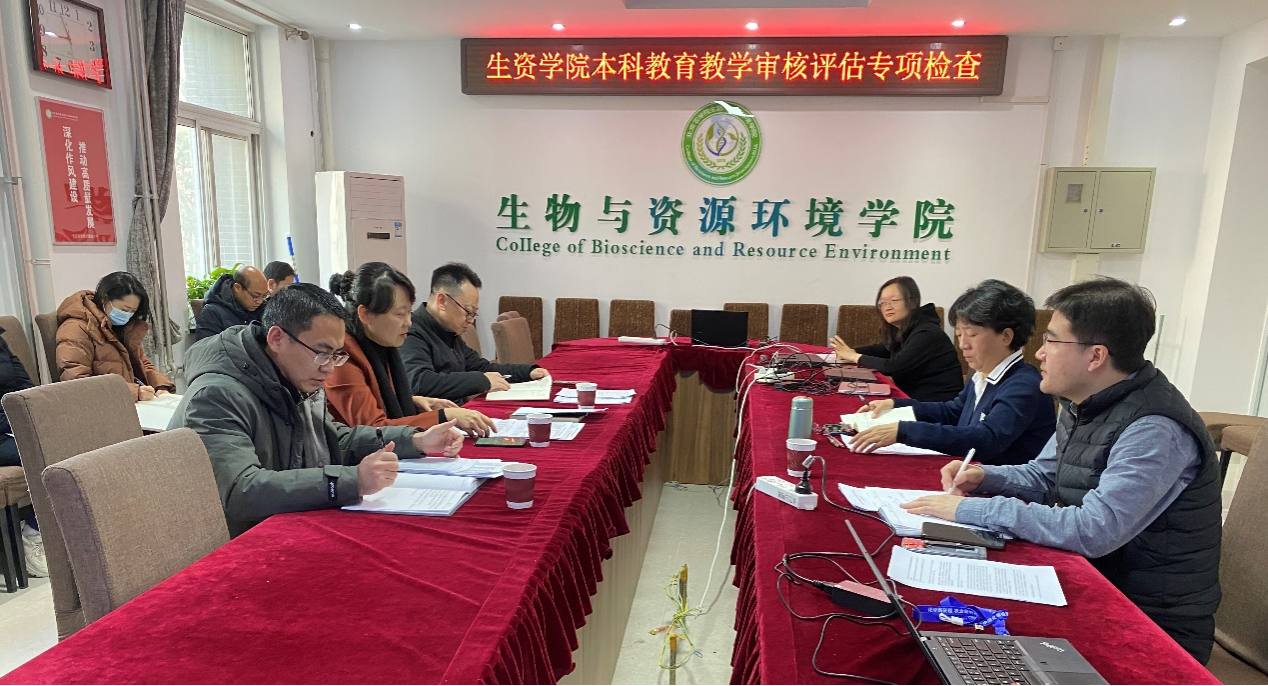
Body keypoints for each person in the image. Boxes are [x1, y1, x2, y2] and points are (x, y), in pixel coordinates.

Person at [901, 277, 1221, 664]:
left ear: (1095, 356)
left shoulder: (1154, 428)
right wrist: (986, 478)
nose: (1039, 353)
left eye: (1052, 341)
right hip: (1095, 581)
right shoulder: (1084, 401)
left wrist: (972, 509)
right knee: (933, 629)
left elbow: (1094, 530)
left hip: (1149, 624)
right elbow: (1046, 476)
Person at [174, 283, 464, 537]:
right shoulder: (217, 395)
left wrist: (416, 440)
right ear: (276, 338)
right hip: (229, 544)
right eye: (322, 353)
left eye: (335, 355)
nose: (329, 368)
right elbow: (242, 491)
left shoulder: (289, 375)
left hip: (282, 524)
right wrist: (351, 481)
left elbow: (334, 440)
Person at [850, 279, 1055, 465]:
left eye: (972, 334)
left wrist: (905, 431)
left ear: (1006, 337)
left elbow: (986, 440)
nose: (963, 344)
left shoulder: (1023, 385)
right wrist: (896, 405)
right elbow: (953, 412)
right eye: (958, 335)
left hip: (1001, 487)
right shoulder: (982, 373)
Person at [326, 265, 496, 436]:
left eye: (409, 312)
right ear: (365, 314)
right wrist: (443, 417)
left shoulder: (381, 345)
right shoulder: (341, 358)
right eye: (400, 314)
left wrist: (412, 402)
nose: (408, 322)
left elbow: (380, 402)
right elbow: (373, 430)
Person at [401, 262, 549, 401]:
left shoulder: (448, 332)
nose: (471, 321)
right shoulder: (411, 332)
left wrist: (527, 372)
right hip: (436, 417)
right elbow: (419, 382)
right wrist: (482, 380)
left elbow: (482, 368)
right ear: (442, 301)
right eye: (468, 312)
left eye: (473, 314)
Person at [830, 276, 963, 402]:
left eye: (894, 301)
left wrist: (853, 356)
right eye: (883, 303)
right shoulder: (907, 328)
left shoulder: (927, 333)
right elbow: (885, 349)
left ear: (912, 302)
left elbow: (894, 366)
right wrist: (850, 352)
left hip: (937, 406)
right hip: (915, 399)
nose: (887, 307)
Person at [55, 271, 175, 400]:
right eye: (124, 309)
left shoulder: (123, 327)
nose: (127, 315)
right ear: (105, 299)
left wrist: (160, 386)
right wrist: (134, 393)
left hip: (127, 401)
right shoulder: (76, 329)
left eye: (132, 311)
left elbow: (141, 363)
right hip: (103, 406)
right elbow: (77, 382)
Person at [0, 324, 45, 577]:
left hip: (11, 426)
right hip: (4, 431)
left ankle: (67, 532)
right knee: (48, 454)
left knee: (76, 440)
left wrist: (34, 416)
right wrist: (15, 425)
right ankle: (33, 535)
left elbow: (24, 385)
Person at [195, 265, 269, 341]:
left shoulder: (264, 308)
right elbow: (205, 346)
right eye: (256, 296)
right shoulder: (212, 312)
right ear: (237, 288)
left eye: (264, 296)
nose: (260, 301)